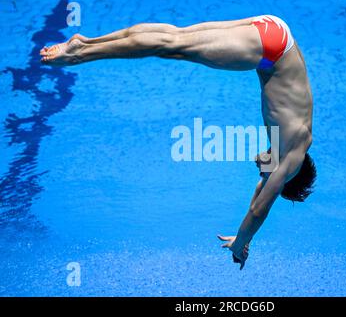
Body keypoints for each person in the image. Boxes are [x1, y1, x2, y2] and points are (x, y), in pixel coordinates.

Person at [40, 15, 316, 269]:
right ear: (290, 176)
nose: (261, 171)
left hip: (275, 32)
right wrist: (241, 244)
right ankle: (80, 54)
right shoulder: (290, 157)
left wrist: (244, 238)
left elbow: (260, 190)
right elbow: (259, 209)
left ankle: (86, 44)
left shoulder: (292, 144)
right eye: (272, 181)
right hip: (270, 49)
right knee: (173, 45)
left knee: (175, 38)